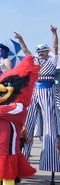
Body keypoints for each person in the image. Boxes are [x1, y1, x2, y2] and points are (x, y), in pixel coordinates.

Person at [15, 26, 60, 174]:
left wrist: (54, 33)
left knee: (50, 123)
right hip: (34, 91)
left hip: (47, 90)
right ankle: (23, 162)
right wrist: (21, 40)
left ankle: (51, 162)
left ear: (47, 52)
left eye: (43, 51)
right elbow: (26, 51)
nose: (40, 53)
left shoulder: (52, 60)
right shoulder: (34, 60)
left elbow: (55, 46)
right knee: (27, 122)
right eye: (39, 51)